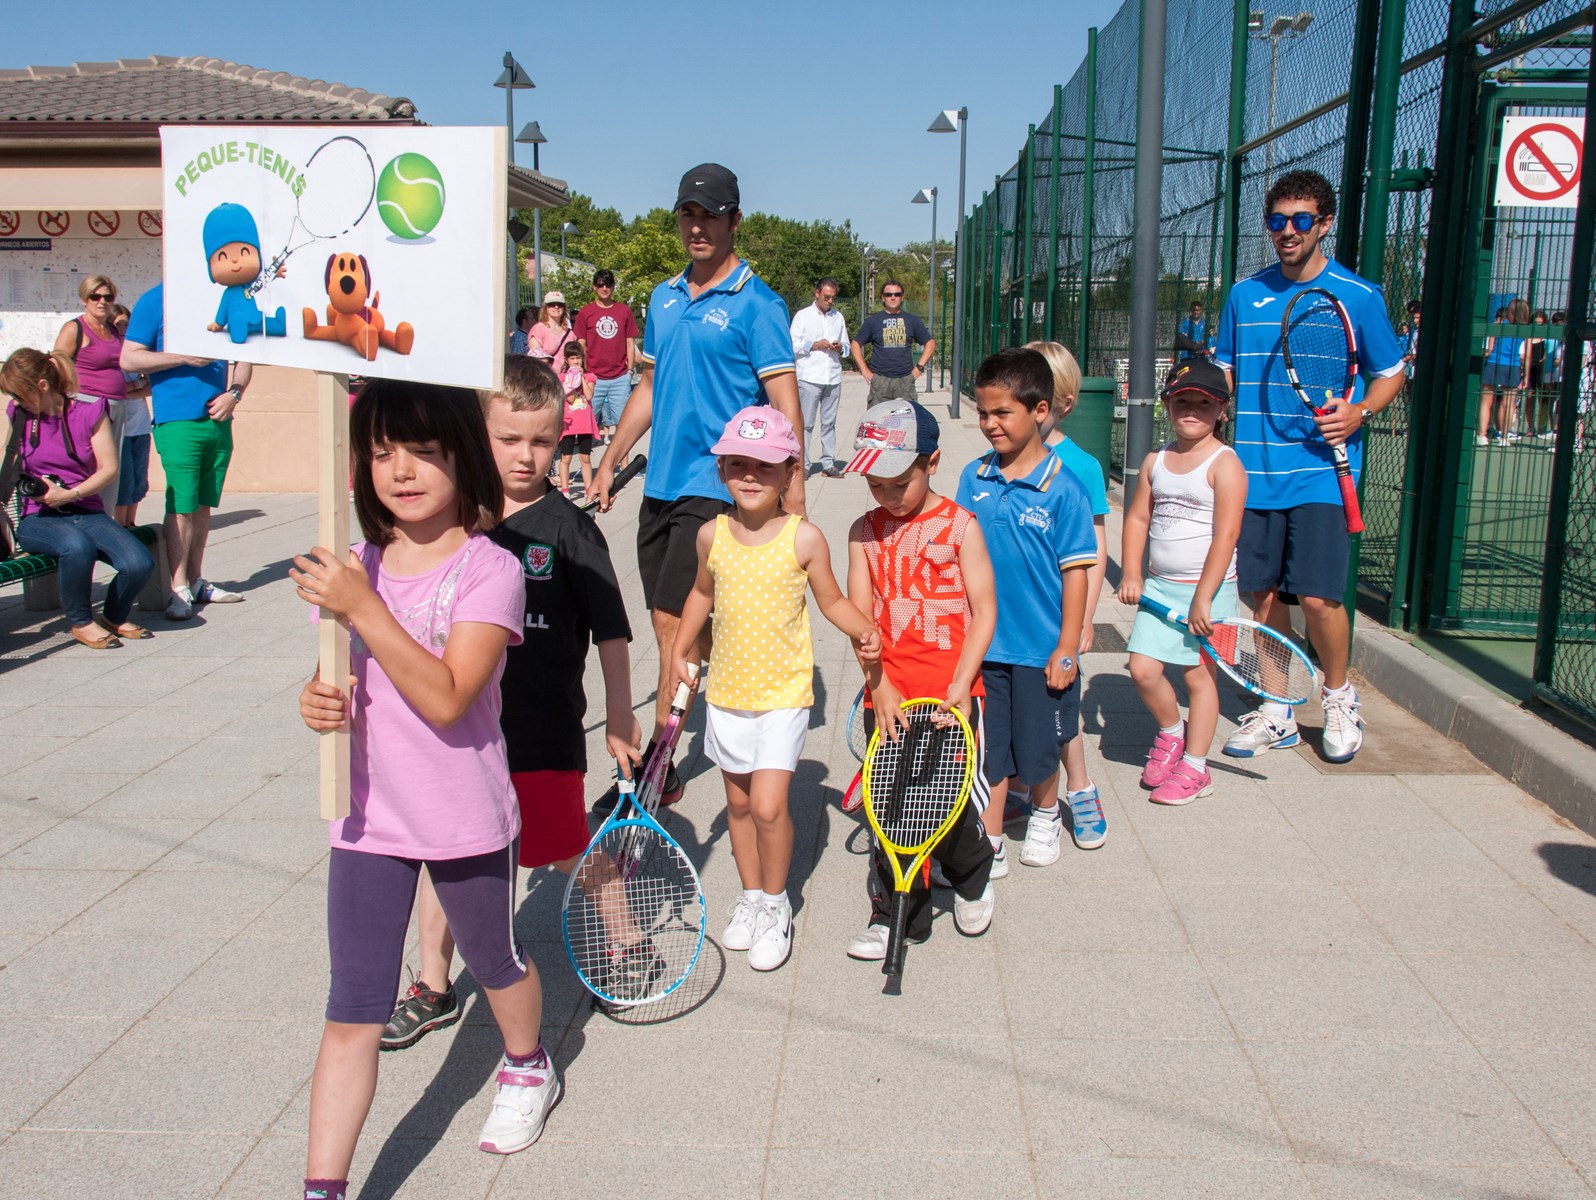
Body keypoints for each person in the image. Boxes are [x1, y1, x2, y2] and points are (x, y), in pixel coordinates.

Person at [292, 380, 556, 1198]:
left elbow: (447, 697)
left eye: (424, 452)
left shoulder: (490, 569)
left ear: (462, 458)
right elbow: (338, 676)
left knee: (494, 959)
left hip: (462, 813)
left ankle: (527, 1063)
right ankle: (324, 1187)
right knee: (351, 1008)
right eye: (380, 453)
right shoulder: (353, 566)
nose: (400, 471)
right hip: (367, 818)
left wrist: (364, 607)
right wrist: (316, 699)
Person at [380, 356, 641, 1051]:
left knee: (565, 848)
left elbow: (612, 631)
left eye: (543, 440)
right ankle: (432, 984)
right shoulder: (451, 521)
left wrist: (620, 714)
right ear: (479, 434)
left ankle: (627, 939)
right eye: (509, 439)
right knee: (447, 854)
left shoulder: (570, 529)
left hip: (542, 730)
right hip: (460, 732)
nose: (527, 455)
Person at [590, 162, 805, 815]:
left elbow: (785, 402)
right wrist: (610, 459)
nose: (697, 226)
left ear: (735, 220)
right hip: (660, 484)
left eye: (710, 215)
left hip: (717, 485)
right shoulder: (663, 297)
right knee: (684, 625)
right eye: (688, 213)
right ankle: (739, 663)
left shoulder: (759, 304)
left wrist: (794, 499)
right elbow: (648, 387)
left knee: (668, 623)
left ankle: (657, 770)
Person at [668, 406, 878, 972]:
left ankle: (778, 902)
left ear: (790, 472)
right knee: (737, 804)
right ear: (721, 471)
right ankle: (752, 897)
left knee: (766, 805)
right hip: (727, 695)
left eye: (765, 465)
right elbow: (701, 594)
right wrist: (680, 650)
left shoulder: (803, 538)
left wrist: (865, 630)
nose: (750, 475)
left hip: (784, 697)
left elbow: (832, 600)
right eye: (737, 463)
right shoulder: (711, 535)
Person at [1213, 169, 1404, 764]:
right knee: (1262, 597)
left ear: (1324, 224)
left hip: (1324, 474)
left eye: (1301, 220)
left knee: (1320, 599)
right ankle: (1279, 709)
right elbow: (1224, 371)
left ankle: (1339, 697)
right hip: (1255, 475)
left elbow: (1391, 372)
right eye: (1277, 220)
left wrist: (1360, 412)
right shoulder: (1244, 295)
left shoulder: (1359, 295)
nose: (1288, 231)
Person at [842, 398, 997, 958]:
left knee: (945, 805)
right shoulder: (863, 531)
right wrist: (877, 682)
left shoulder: (961, 526)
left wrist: (963, 684)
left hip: (951, 694)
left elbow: (985, 610)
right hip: (888, 695)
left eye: (898, 482)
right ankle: (894, 914)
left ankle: (973, 876)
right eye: (875, 484)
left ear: (931, 462)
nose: (886, 494)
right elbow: (860, 619)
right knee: (889, 808)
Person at [955, 347, 1097, 871]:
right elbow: (957, 554)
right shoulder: (973, 476)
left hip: (1040, 650)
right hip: (985, 646)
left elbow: (1076, 573)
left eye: (1002, 412)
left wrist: (1067, 645)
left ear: (1040, 411)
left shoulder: (1065, 489)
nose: (989, 424)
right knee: (990, 749)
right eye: (982, 412)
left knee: (1041, 746)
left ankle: (1045, 814)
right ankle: (989, 837)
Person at [1118, 362, 1247, 803]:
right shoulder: (1155, 461)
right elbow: (1138, 518)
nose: (1192, 411)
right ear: (1167, 405)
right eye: (1182, 401)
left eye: (1204, 403)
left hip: (1209, 594)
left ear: (1222, 410)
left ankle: (1195, 766)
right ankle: (1173, 732)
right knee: (1142, 669)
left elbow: (1227, 535)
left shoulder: (1225, 464)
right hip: (1160, 588)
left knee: (1199, 678)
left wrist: (1204, 598)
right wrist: (1132, 572)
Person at [2, 348, 154, 649]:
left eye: (20, 394)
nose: (16, 401)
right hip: (38, 517)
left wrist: (70, 494)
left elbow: (109, 468)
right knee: (76, 545)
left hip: (85, 509)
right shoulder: (18, 414)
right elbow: (6, 462)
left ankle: (113, 617)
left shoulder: (89, 412)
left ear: (42, 386)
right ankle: (82, 622)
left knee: (138, 563)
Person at [121, 283, 251, 621]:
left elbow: (246, 354)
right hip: (177, 420)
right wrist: (181, 356)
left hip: (218, 419)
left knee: (203, 506)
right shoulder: (155, 299)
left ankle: (196, 582)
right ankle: (177, 588)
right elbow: (129, 357)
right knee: (181, 507)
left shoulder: (222, 296)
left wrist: (234, 394)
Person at [1025, 341, 1109, 850]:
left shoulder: (1082, 466)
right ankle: (1032, 789)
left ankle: (1079, 789)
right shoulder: (1000, 459)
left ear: (1062, 403)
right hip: (1016, 613)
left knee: (1059, 709)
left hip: (1060, 615)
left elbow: (1094, 550)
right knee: (1024, 707)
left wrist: (1084, 618)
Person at [54, 275, 128, 511]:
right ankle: (82, 513)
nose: (102, 301)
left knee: (111, 467)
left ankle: (104, 516)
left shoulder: (112, 330)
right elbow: (57, 367)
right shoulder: (74, 328)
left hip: (116, 407)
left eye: (108, 297)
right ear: (84, 299)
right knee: (89, 464)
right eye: (95, 296)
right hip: (86, 406)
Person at [790, 277, 851, 477]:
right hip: (810, 376)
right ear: (817, 293)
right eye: (826, 297)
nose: (830, 301)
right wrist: (815, 345)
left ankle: (828, 463)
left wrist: (840, 347)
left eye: (833, 298)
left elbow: (847, 346)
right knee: (806, 424)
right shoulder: (803, 316)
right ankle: (804, 465)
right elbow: (792, 345)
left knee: (829, 423)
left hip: (832, 377)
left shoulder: (838, 317)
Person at [574, 269, 639, 446]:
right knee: (587, 423)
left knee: (623, 425)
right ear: (594, 287)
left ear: (613, 286)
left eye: (608, 284)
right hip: (593, 378)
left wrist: (630, 371)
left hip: (620, 377)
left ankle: (622, 461)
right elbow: (581, 344)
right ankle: (586, 461)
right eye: (601, 285)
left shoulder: (624, 311)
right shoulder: (586, 312)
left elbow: (630, 342)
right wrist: (583, 372)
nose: (605, 288)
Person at [852, 279, 934, 404]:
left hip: (905, 382)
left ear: (902, 297)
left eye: (897, 294)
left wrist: (919, 368)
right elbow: (855, 344)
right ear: (882, 297)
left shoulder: (913, 321)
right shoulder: (873, 322)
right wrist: (864, 370)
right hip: (880, 383)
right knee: (878, 417)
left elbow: (930, 343)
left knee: (906, 417)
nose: (893, 297)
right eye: (888, 294)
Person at [109, 304, 152, 528]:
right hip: (120, 427)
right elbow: (113, 390)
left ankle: (131, 523)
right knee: (124, 482)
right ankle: (121, 525)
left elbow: (149, 387)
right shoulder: (109, 356)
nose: (123, 329)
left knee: (139, 481)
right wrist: (137, 385)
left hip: (141, 425)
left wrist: (132, 388)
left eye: (127, 324)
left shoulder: (137, 353)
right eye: (118, 324)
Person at [1477, 300, 1529, 446]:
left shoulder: (1498, 325)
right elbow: (1527, 355)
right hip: (1513, 365)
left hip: (1494, 362)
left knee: (1486, 401)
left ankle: (1482, 435)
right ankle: (1504, 437)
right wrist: (1526, 375)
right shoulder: (1526, 330)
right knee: (1508, 403)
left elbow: (1490, 347)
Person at [556, 341, 598, 497]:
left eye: (578, 358)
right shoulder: (562, 378)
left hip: (585, 424)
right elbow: (571, 399)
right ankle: (565, 490)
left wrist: (581, 377)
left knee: (585, 458)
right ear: (567, 360)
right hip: (569, 423)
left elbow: (589, 396)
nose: (576, 361)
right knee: (566, 457)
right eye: (572, 358)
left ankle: (588, 489)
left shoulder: (590, 376)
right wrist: (572, 379)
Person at [527, 293, 574, 362]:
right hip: (544, 369)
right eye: (552, 304)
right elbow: (535, 360)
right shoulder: (538, 330)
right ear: (545, 308)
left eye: (560, 304)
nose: (556, 307)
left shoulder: (570, 333)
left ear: (564, 308)